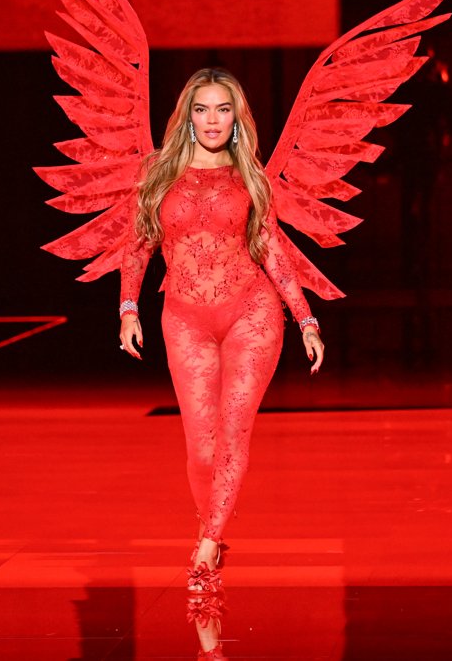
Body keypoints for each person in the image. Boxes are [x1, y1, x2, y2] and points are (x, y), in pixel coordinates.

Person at [117, 68, 324, 655]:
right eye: (203, 109)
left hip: (252, 313)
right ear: (188, 116)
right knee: (200, 448)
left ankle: (208, 544)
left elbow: (273, 250)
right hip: (183, 317)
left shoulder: (251, 179)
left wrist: (304, 317)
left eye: (224, 110)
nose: (213, 120)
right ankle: (213, 529)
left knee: (234, 433)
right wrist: (128, 308)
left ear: (238, 119)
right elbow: (138, 245)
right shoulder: (158, 175)